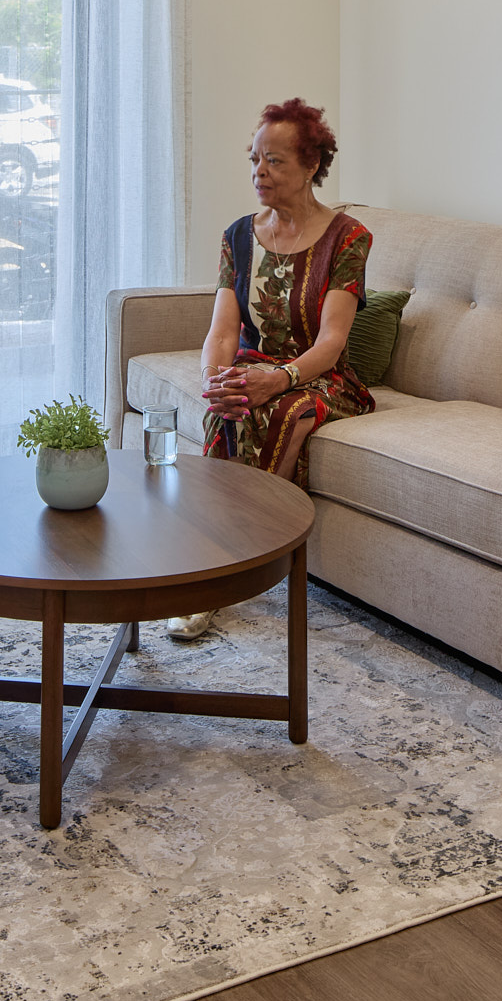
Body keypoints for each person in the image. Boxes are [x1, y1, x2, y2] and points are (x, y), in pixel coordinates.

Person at [179, 99, 375, 639]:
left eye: (274, 161)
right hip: (256, 363)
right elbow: (223, 332)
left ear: (311, 165)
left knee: (283, 411)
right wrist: (213, 380)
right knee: (230, 404)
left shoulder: (348, 238)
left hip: (321, 377)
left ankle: (226, 569)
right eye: (254, 159)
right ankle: (209, 560)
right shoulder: (238, 237)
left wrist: (281, 378)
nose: (259, 172)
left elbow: (332, 340)